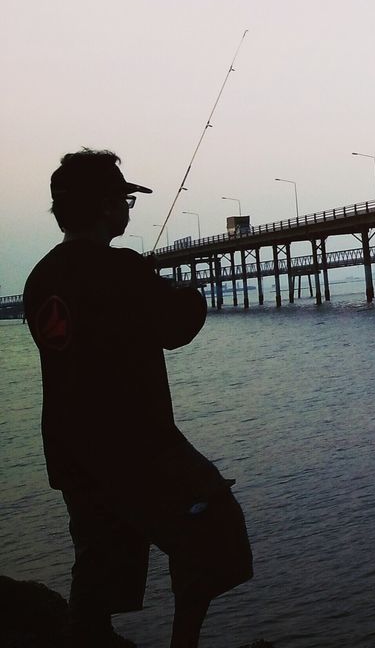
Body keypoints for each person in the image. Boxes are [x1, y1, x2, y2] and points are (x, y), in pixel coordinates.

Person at [23, 150, 252, 648]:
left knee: (98, 557)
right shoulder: (120, 270)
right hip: (139, 445)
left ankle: (86, 636)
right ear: (106, 206)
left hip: (71, 451)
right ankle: (183, 640)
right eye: (126, 198)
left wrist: (138, 284)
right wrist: (178, 289)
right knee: (214, 528)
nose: (129, 207)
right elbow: (180, 325)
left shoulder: (40, 279)